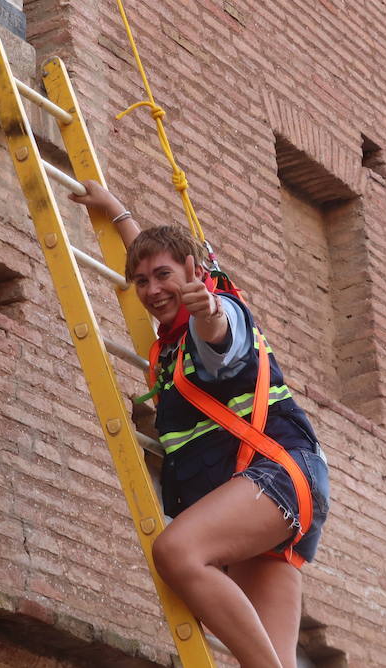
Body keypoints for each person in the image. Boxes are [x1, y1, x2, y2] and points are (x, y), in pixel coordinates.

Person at [70, 180, 331, 668]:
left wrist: (207, 311)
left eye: (162, 277)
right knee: (271, 655)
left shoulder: (217, 313)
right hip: (269, 494)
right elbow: (152, 256)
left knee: (178, 553)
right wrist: (117, 211)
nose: (150, 290)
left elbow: (218, 332)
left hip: (276, 479)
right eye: (141, 281)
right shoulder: (172, 332)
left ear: (193, 272)